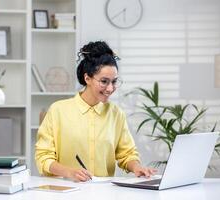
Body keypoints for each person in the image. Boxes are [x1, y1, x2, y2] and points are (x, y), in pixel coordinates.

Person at [35, 41, 156, 182]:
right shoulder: (58, 110)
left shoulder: (116, 114)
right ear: (87, 78)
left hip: (103, 193)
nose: (110, 88)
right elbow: (43, 157)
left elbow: (127, 154)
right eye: (104, 81)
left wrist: (136, 167)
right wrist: (70, 172)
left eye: (114, 81)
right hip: (66, 190)